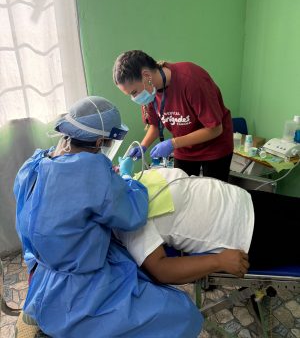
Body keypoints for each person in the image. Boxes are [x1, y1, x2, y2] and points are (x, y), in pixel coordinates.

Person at [14, 96, 203, 338]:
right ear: (101, 141)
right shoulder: (92, 172)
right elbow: (133, 215)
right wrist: (125, 181)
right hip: (79, 287)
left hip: (41, 273)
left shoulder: (35, 162)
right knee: (180, 311)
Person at [114, 166, 300, 284]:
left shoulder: (136, 179)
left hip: (249, 200)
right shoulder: (128, 221)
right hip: (251, 234)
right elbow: (161, 270)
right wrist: (219, 261)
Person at [113, 50, 233, 181]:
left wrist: (173, 142)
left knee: (213, 195)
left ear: (146, 75)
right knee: (182, 189)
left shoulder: (191, 80)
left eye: (134, 92)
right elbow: (155, 125)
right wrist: (143, 146)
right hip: (184, 149)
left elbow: (215, 129)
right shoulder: (150, 92)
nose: (134, 98)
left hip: (214, 148)